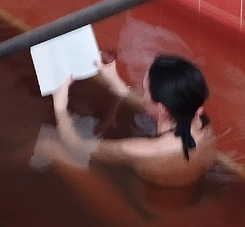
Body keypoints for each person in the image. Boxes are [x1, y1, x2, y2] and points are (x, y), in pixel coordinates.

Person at [50, 53, 217, 188]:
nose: (142, 94)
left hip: (144, 201)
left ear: (162, 109)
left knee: (47, 147)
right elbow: (156, 108)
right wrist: (116, 82)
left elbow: (75, 145)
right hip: (184, 185)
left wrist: (60, 105)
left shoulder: (140, 149)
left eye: (144, 90)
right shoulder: (199, 118)